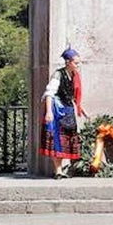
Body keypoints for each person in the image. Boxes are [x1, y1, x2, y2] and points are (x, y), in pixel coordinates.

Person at [40, 47, 88, 178]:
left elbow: (73, 95)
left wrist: (80, 108)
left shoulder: (74, 76)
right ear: (68, 62)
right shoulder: (58, 74)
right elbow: (49, 94)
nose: (78, 65)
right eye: (76, 63)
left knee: (66, 140)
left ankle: (61, 170)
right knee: (56, 140)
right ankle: (58, 171)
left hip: (68, 109)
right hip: (57, 110)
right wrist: (49, 111)